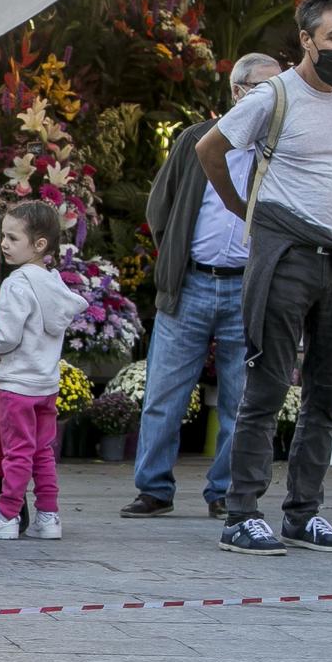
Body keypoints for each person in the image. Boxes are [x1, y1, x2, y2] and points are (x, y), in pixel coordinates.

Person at [199, 0, 332, 557]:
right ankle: (242, 514)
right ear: (306, 40)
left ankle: (304, 513)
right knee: (267, 389)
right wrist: (240, 205)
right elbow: (210, 148)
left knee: (325, 395)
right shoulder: (274, 97)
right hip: (288, 256)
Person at [120, 52, 281, 520]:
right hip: (190, 282)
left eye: (278, 89)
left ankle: (225, 493)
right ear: (237, 92)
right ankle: (153, 489)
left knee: (240, 400)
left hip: (248, 290)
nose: (271, 99)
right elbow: (160, 207)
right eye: (261, 88)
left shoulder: (280, 150)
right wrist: (174, 259)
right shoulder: (197, 138)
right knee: (164, 395)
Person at [0, 202, 84, 541]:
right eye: (3, 235)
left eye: (12, 237)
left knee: (17, 453)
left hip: (18, 386)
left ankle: (5, 515)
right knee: (42, 452)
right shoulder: (54, 284)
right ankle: (48, 516)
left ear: (39, 245)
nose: (3, 243)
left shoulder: (16, 285)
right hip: (46, 384)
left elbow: (7, 336)